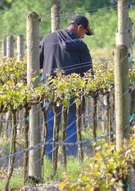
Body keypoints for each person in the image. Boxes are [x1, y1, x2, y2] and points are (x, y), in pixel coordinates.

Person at [39, 15, 94, 157]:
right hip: (73, 95)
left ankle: (50, 158)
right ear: (80, 27)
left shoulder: (47, 39)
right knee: (71, 127)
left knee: (49, 127)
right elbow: (89, 74)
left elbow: (36, 65)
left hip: (49, 92)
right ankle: (69, 159)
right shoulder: (81, 46)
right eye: (84, 33)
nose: (83, 37)